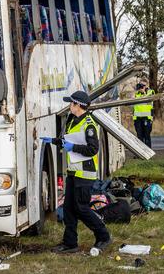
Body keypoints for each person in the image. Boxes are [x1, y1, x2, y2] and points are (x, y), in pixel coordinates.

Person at [47, 90, 111, 254]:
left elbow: (92, 149)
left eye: (72, 103)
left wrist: (73, 147)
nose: (69, 106)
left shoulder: (89, 124)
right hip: (73, 173)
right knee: (69, 209)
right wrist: (54, 141)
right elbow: (69, 141)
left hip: (85, 174)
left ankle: (103, 236)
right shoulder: (72, 120)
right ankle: (70, 243)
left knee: (81, 208)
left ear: (78, 105)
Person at [133, 81, 155, 147]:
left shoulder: (150, 92)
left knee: (146, 135)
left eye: (142, 86)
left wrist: (144, 91)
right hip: (137, 118)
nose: (140, 88)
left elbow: (149, 98)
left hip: (147, 118)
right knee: (139, 136)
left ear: (145, 86)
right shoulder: (137, 94)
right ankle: (140, 152)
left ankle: (148, 152)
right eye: (139, 87)